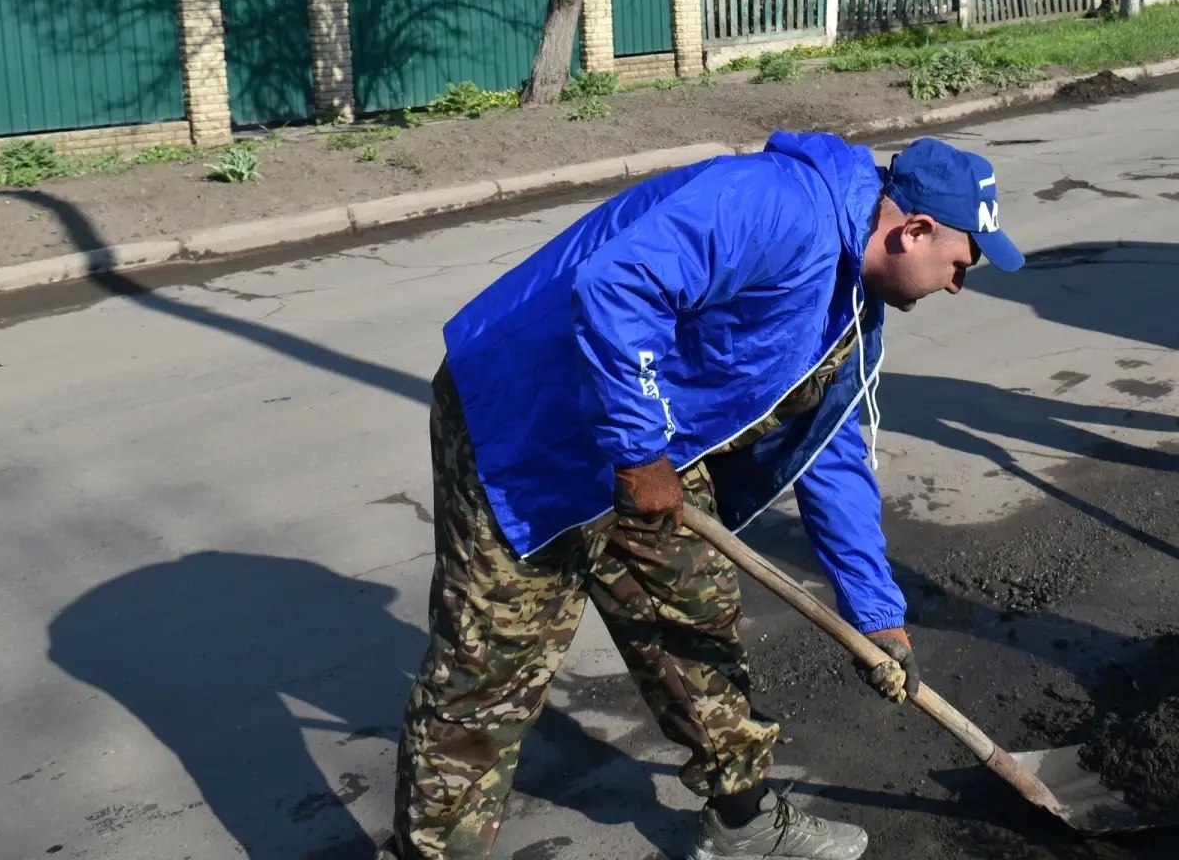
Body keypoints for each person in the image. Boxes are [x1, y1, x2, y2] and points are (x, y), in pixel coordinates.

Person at [389, 131, 1025, 860]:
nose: (957, 285)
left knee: (694, 619)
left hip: (650, 444)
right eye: (960, 265)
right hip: (526, 421)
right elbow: (616, 286)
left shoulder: (851, 310)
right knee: (489, 670)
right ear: (915, 232)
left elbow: (830, 452)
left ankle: (744, 824)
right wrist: (637, 452)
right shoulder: (777, 206)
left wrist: (877, 613)